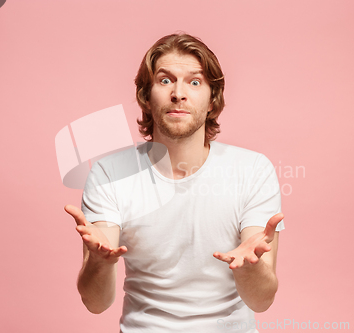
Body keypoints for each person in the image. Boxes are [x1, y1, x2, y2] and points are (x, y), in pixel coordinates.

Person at [64, 33, 285, 333]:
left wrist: (250, 269)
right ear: (146, 95)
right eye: (165, 80)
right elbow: (96, 303)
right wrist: (100, 263)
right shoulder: (109, 174)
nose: (179, 93)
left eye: (194, 82)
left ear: (212, 100)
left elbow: (261, 301)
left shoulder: (253, 170)